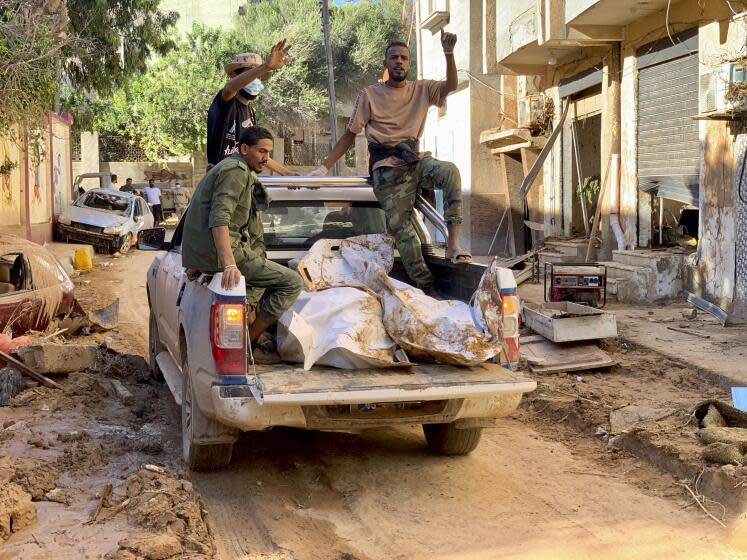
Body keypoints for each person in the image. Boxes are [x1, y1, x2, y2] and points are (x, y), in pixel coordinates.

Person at [311, 32, 471, 292]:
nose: (399, 61)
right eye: (394, 57)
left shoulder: (421, 89)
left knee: (450, 172)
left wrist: (449, 54)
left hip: (414, 161)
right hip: (387, 170)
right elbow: (349, 135)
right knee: (405, 233)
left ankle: (453, 244)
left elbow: (451, 85)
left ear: (409, 64)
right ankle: (426, 287)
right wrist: (323, 168)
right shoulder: (369, 95)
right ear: (385, 63)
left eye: (404, 58)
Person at [182, 127, 303, 364]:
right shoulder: (237, 173)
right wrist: (228, 265)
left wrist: (286, 172)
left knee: (257, 283)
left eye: (269, 152)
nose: (266, 158)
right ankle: (250, 343)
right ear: (244, 149)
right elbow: (219, 219)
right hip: (223, 255)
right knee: (293, 282)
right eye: (261, 151)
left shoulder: (231, 167)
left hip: (210, 255)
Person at [206, 40, 297, 176]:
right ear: (234, 76)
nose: (256, 79)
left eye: (259, 76)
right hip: (221, 180)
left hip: (240, 179)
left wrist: (286, 173)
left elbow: (258, 152)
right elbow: (230, 88)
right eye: (251, 74)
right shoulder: (225, 103)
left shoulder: (250, 112)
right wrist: (266, 66)